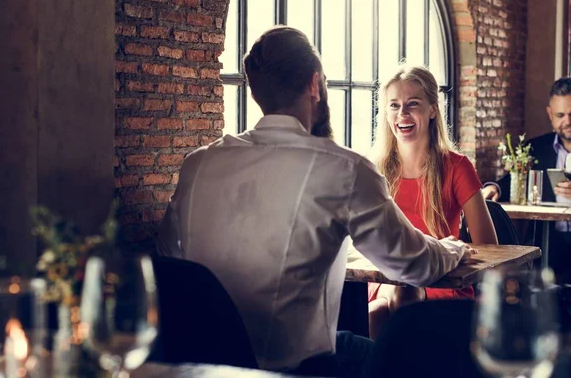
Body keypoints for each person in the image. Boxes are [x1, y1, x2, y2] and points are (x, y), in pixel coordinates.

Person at [156, 26, 476, 378]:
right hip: (298, 366)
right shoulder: (345, 167)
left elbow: (170, 254)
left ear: (256, 90)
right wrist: (452, 248)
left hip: (202, 360)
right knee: (409, 363)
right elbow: (413, 265)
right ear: (315, 84)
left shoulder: (199, 163)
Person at [365, 65, 498, 339]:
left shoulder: (457, 166)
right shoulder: (374, 167)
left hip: (444, 278)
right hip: (387, 279)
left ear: (433, 109)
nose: (402, 113)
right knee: (379, 306)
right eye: (394, 105)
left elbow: (490, 247)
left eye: (413, 104)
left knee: (397, 298)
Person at [483, 77, 571, 283]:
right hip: (548, 242)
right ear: (550, 115)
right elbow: (511, 180)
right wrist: (493, 188)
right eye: (560, 115)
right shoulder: (536, 148)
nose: (567, 121)